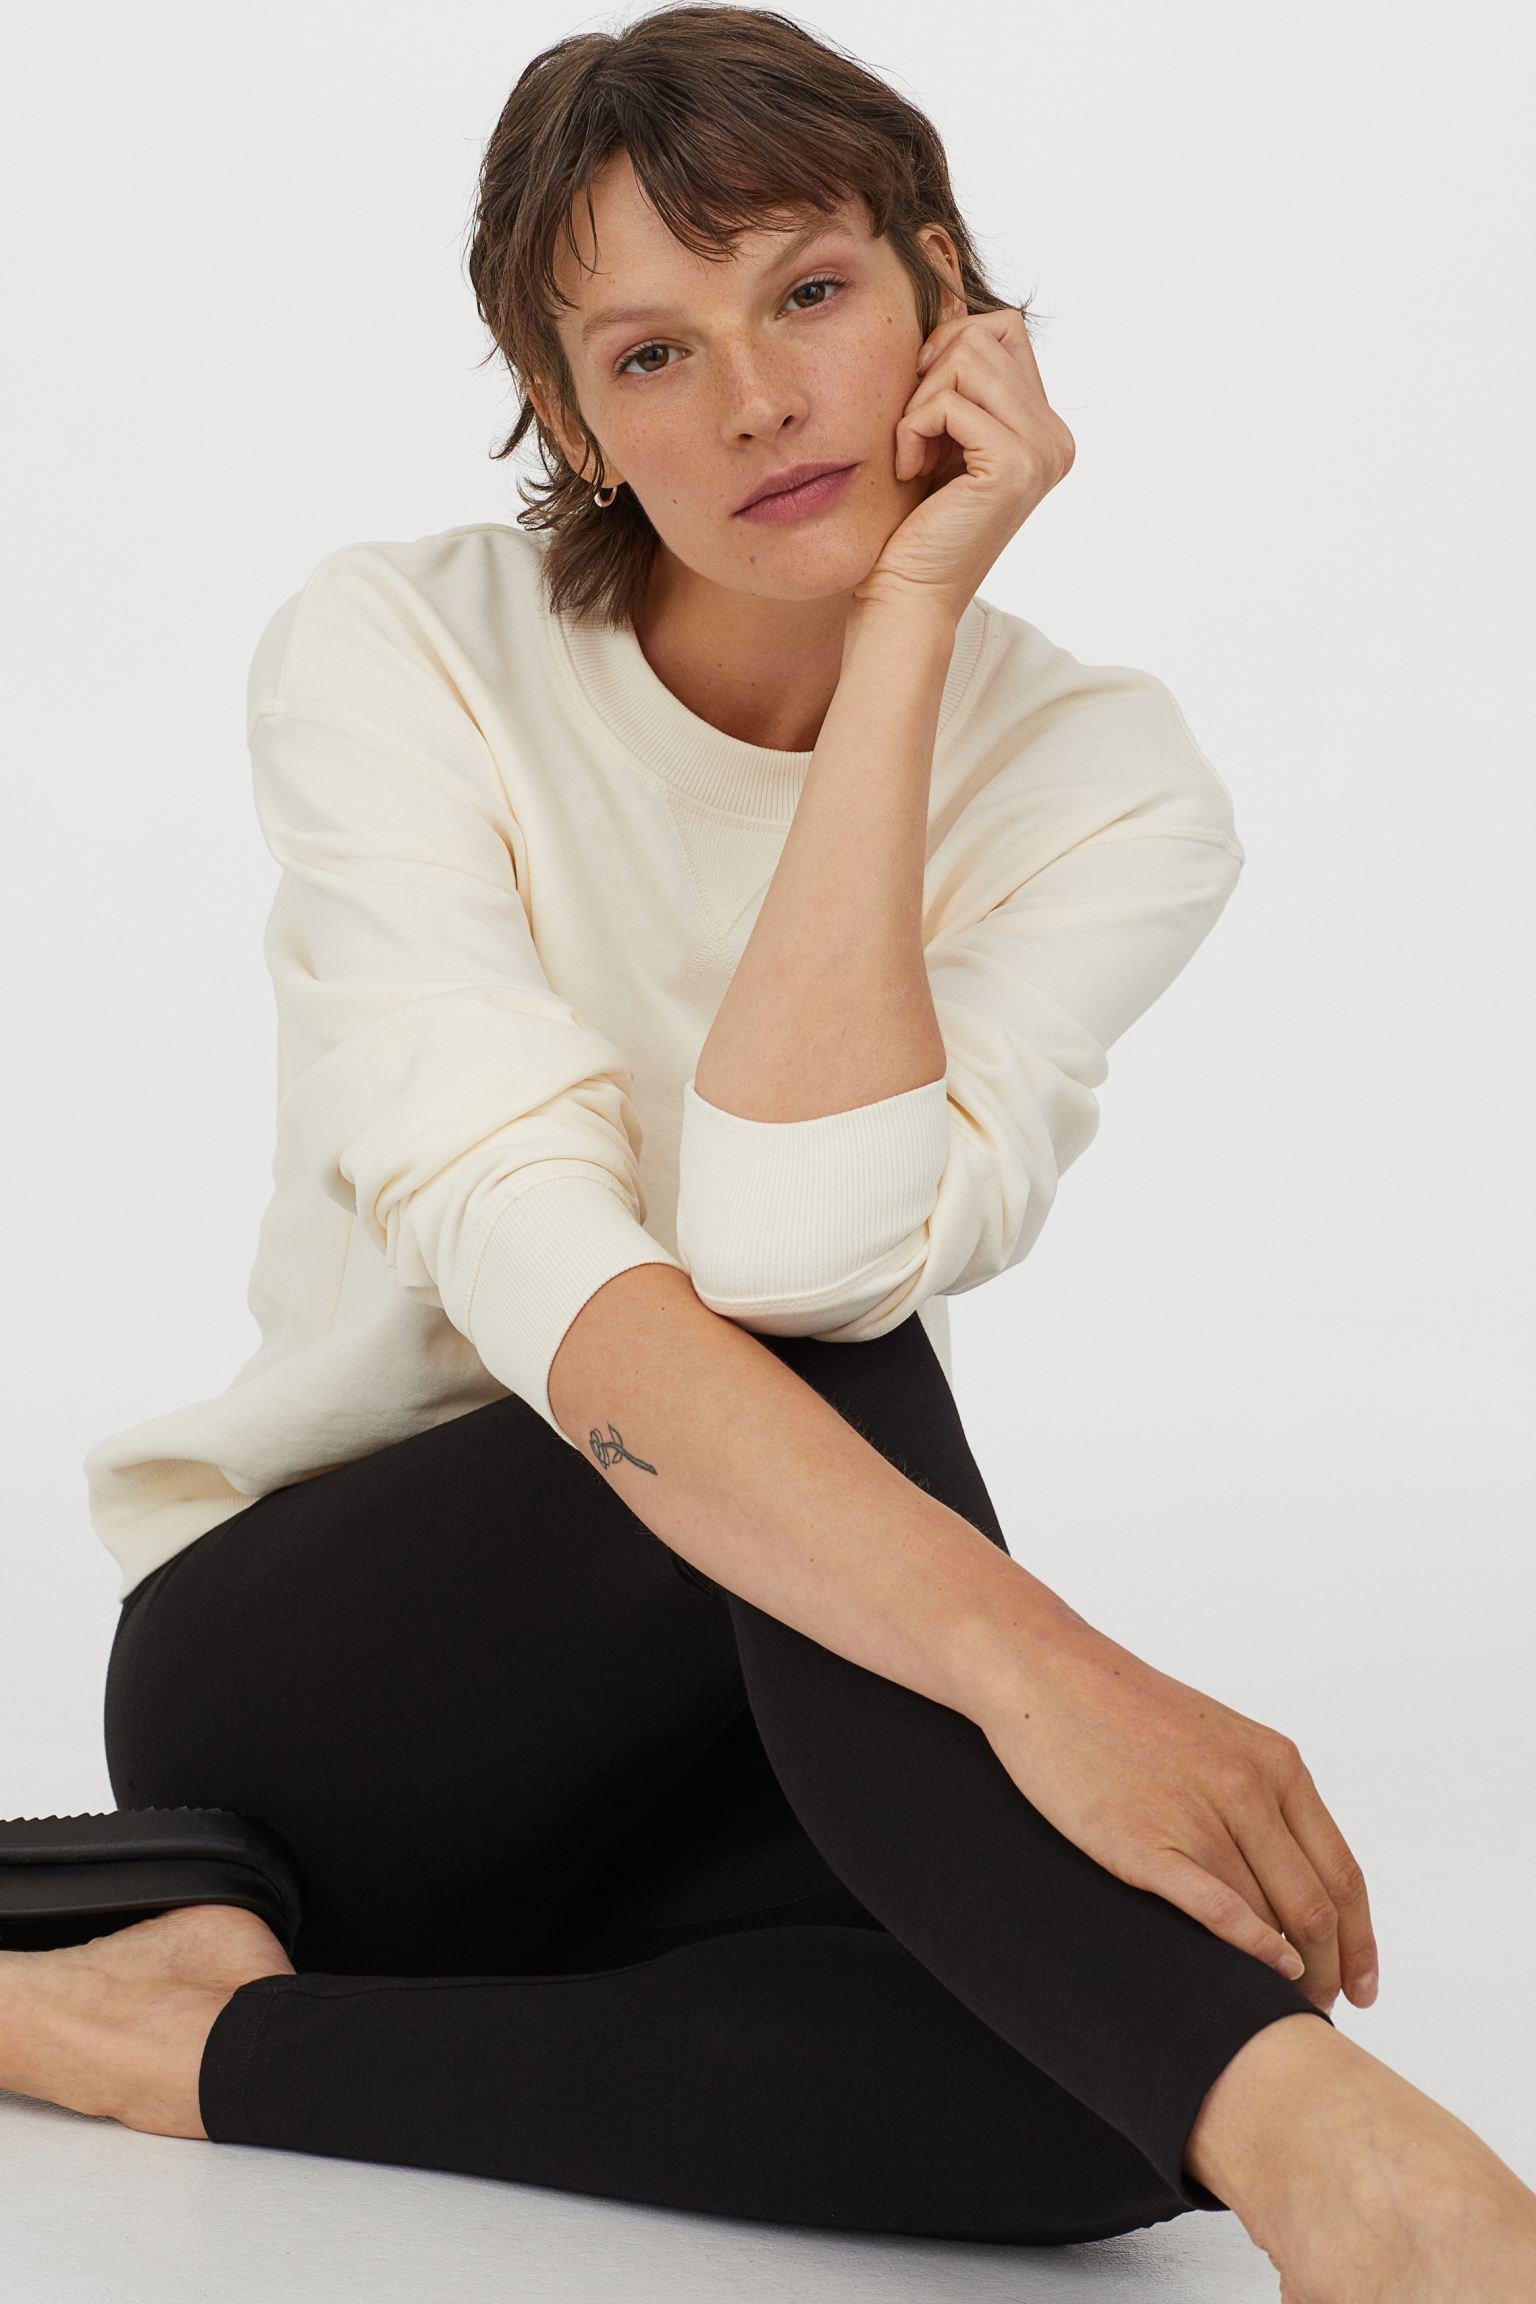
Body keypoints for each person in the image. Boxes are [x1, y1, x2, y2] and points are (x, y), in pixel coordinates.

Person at [5, 8, 1534, 2294]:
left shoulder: (1108, 783)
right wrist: (1044, 1667)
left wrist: (908, 622)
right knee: (819, 1381)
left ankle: (171, 2044)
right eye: (650, 353)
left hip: (759, 1699)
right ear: (567, 420)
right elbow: (615, 1271)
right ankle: (1363, 2165)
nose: (752, 403)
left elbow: (803, 1237)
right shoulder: (405, 648)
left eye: (810, 294)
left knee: (1096, 2101)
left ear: (949, 301)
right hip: (338, 1682)